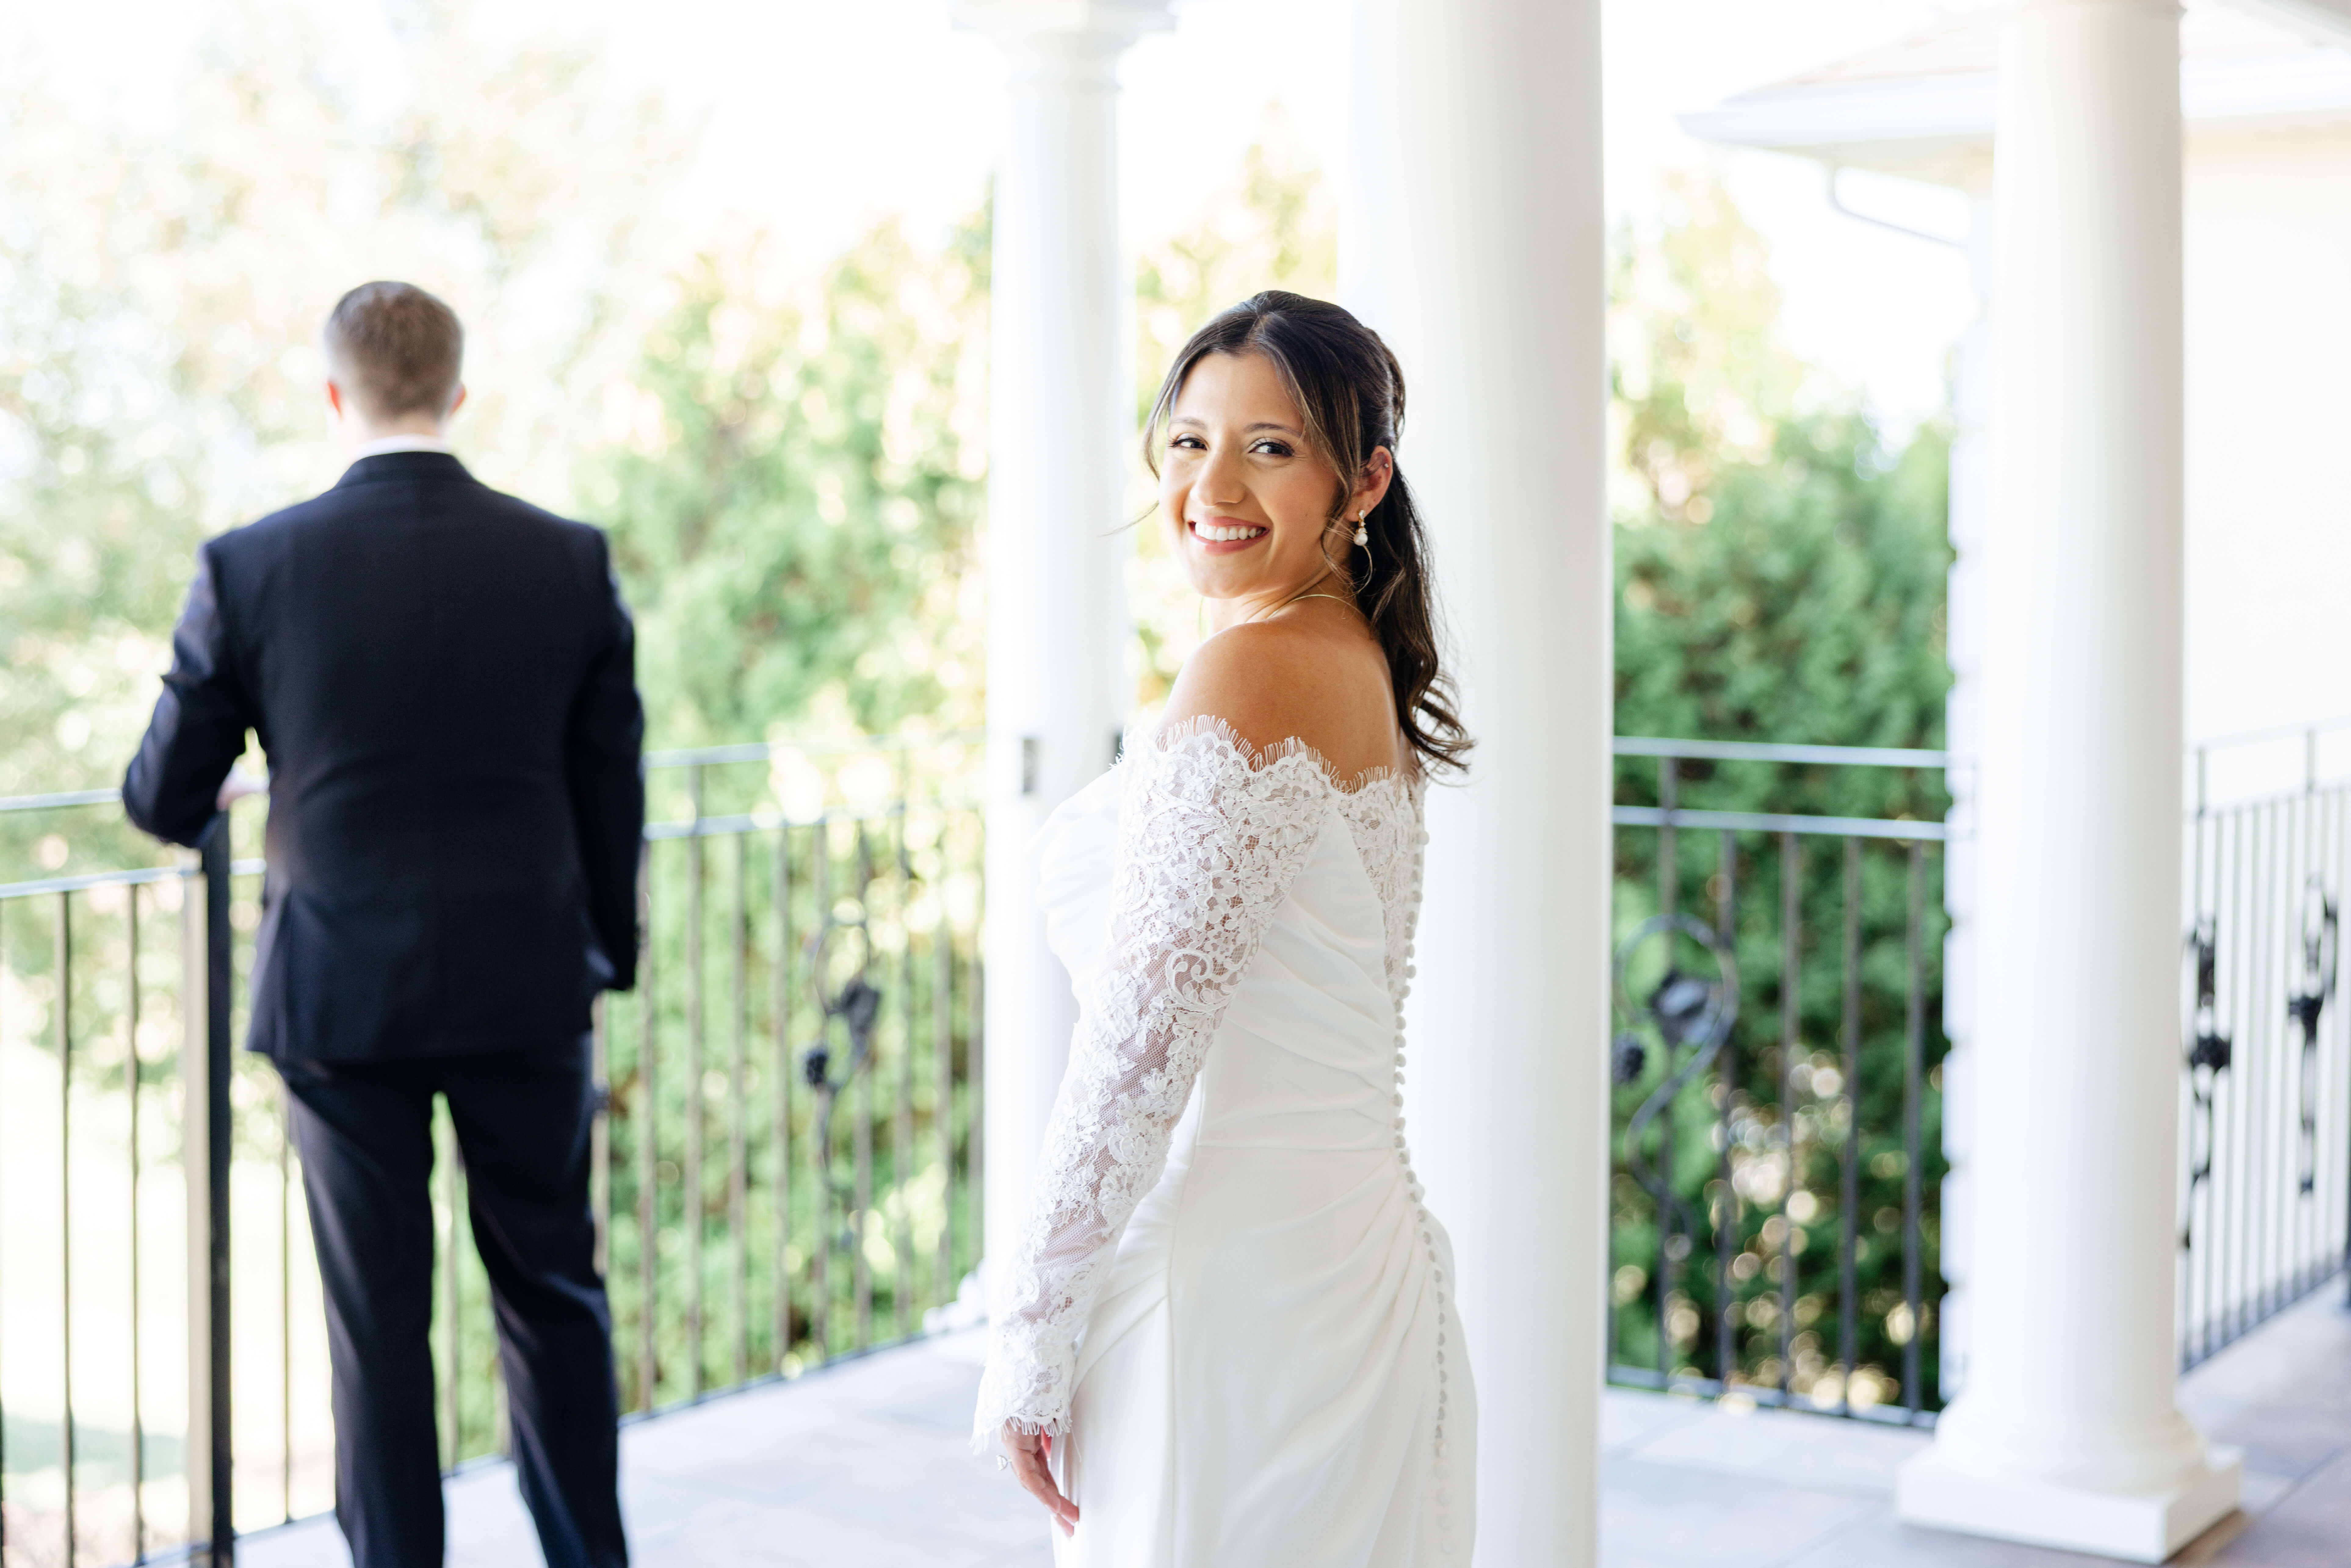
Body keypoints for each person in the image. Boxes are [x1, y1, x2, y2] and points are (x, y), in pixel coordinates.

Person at [122, 281, 642, 1568]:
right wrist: (607, 956)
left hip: (341, 998)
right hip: (527, 983)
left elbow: (163, 795)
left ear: (333, 394)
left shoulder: (251, 566)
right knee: (553, 1296)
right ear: (457, 392)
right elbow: (609, 786)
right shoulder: (565, 558)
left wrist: (258, 781)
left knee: (379, 1330)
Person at [975, 291, 1477, 1565]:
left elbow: (1138, 1053)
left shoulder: (1254, 668)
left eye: (1270, 447)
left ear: (1364, 481)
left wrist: (1029, 1335)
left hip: (1234, 1295)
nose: (1214, 485)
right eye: (1190, 441)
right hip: (1358, 1266)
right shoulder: (1350, 654)